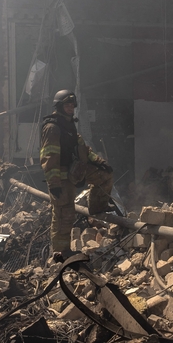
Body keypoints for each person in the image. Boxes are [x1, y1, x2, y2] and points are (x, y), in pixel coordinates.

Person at [39, 90, 114, 257]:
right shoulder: (52, 128)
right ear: (59, 106)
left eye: (72, 105)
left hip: (76, 170)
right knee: (64, 214)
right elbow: (48, 157)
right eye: (67, 105)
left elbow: (83, 149)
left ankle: (97, 209)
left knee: (104, 176)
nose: (71, 108)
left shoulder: (69, 125)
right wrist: (54, 184)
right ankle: (60, 252)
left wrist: (100, 162)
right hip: (61, 177)